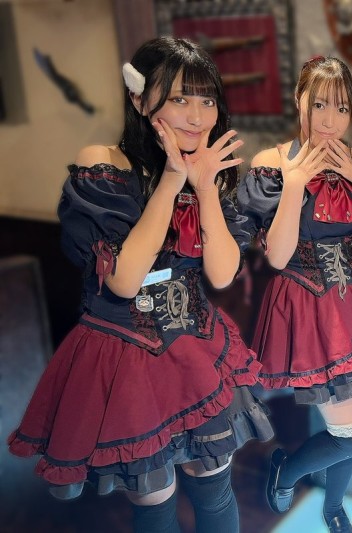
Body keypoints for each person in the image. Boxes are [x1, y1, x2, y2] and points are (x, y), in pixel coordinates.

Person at [7, 37, 274, 533]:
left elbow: (220, 274)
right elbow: (125, 281)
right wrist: (172, 180)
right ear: (139, 98)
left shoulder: (210, 170)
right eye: (179, 98)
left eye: (207, 100)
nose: (196, 116)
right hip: (124, 355)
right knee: (155, 502)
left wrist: (204, 188)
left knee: (215, 488)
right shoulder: (105, 166)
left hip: (195, 346)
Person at [237, 56, 352, 533]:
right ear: (299, 100)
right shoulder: (272, 164)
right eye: (320, 105)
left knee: (350, 422)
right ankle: (286, 471)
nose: (330, 120)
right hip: (309, 308)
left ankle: (332, 508)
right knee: (351, 436)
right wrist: (293, 185)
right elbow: (278, 257)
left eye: (342, 108)